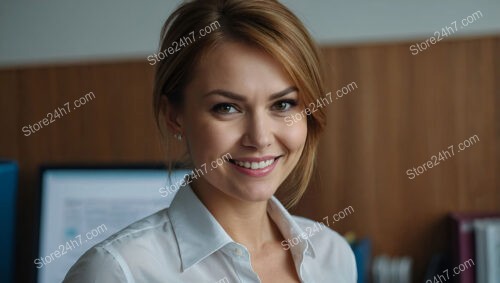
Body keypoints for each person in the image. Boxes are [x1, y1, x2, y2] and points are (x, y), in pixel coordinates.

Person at [63, 0, 357, 282]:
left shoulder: (334, 256)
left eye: (282, 105)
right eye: (226, 107)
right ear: (174, 116)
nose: (260, 138)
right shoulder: (116, 272)